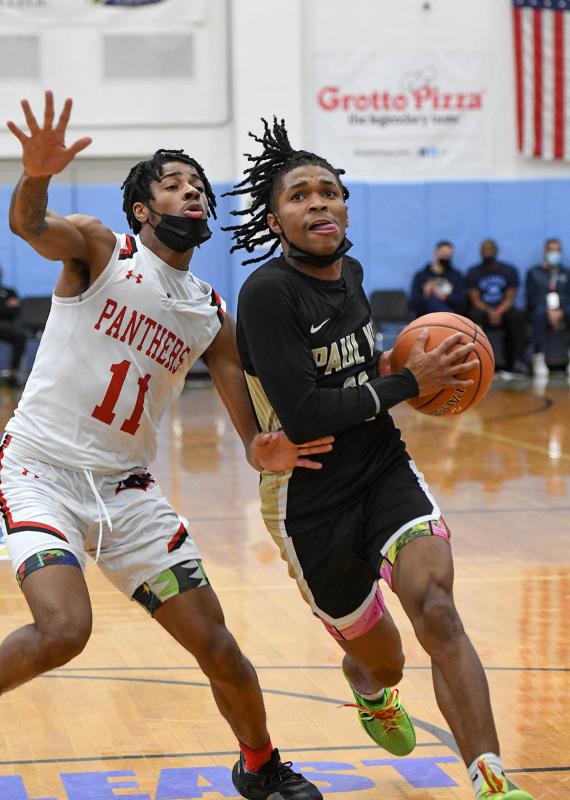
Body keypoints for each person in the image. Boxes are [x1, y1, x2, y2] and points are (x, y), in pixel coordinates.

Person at [4, 91, 331, 800]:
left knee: (220, 648)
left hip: (127, 492)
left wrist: (260, 447)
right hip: (40, 472)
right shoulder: (100, 249)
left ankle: (260, 765)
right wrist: (35, 174)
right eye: (175, 184)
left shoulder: (210, 310)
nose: (193, 193)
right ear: (143, 210)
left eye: (200, 187)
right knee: (63, 630)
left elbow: (245, 412)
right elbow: (29, 224)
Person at [224, 117, 534, 800]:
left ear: (345, 204)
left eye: (328, 191)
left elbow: (359, 370)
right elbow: (304, 412)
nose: (318, 204)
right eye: (299, 196)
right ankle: (369, 687)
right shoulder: (268, 294)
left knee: (438, 608)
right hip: (308, 499)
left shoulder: (354, 273)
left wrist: (400, 364)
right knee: (386, 661)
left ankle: (492, 779)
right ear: (276, 220)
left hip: (382, 467)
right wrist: (406, 383)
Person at [466, 239, 528, 374]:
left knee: (517, 316)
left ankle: (518, 361)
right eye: (485, 250)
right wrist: (490, 311)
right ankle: (475, 364)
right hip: (483, 310)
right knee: (473, 316)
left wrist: (499, 311)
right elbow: (475, 299)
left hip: (503, 308)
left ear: (496, 251)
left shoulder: (509, 270)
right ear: (480, 252)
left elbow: (510, 297)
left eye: (490, 250)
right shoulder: (473, 272)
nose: (488, 252)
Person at [526, 238, 570, 378]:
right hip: (542, 309)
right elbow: (532, 298)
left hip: (563, 309)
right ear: (545, 252)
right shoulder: (534, 272)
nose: (555, 253)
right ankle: (538, 357)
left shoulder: (566, 273)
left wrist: (561, 310)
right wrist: (548, 310)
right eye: (552, 250)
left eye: (558, 250)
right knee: (538, 314)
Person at [410, 239, 467, 317]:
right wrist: (426, 294)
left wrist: (446, 297)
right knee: (432, 299)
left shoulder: (456, 276)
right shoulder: (421, 276)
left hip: (452, 315)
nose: (446, 257)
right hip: (426, 317)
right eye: (443, 253)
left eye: (449, 255)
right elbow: (414, 304)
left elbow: (462, 302)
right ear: (435, 254)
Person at [0, 265, 28, 386]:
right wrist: (6, 306)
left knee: (20, 335)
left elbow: (16, 310)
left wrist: (5, 308)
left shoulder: (9, 291)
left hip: (7, 326)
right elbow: (9, 309)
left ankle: (13, 373)